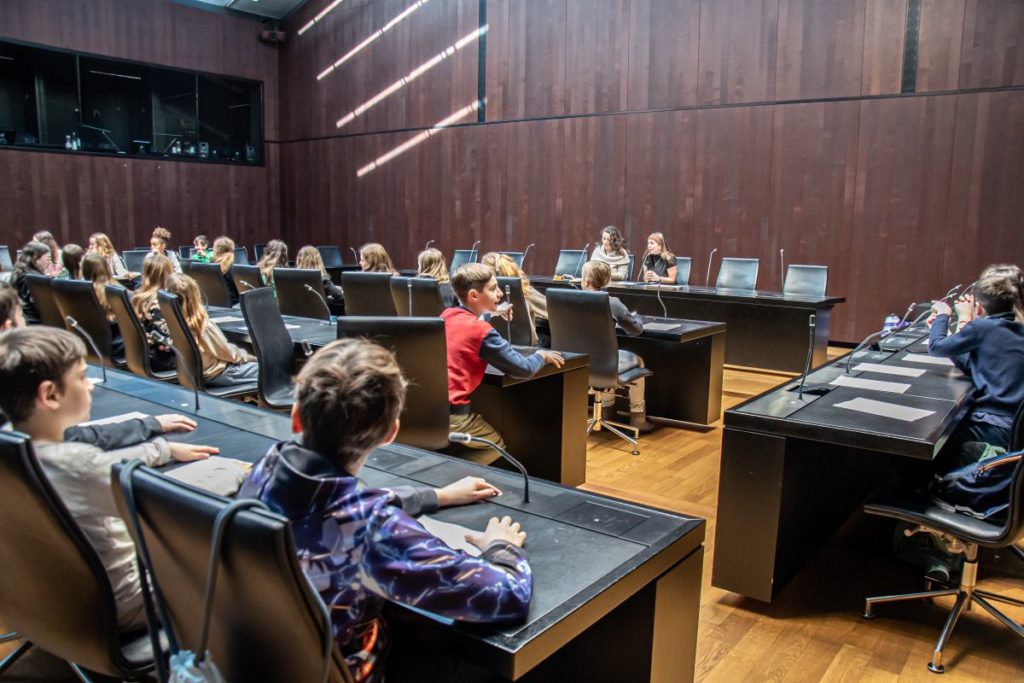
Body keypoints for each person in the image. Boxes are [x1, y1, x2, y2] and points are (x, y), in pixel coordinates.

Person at [238, 337, 531, 682]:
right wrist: (502, 546)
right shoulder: (373, 529)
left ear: (297, 417)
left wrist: (433, 496)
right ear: (391, 432)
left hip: (256, 663)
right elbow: (507, 596)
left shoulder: (267, 467)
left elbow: (332, 503)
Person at [0, 327, 220, 629]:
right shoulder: (80, 465)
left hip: (41, 604)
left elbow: (100, 467)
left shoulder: (13, 448)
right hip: (125, 608)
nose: (89, 384)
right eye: (80, 376)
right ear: (50, 394)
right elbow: (169, 519)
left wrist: (160, 450)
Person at [442, 263, 563, 459]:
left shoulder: (446, 315)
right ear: (474, 295)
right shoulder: (482, 332)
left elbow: (468, 324)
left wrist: (491, 312)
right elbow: (522, 369)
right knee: (495, 446)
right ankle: (458, 481)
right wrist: (540, 355)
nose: (499, 294)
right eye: (492, 289)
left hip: (430, 408)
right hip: (455, 416)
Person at [928, 267, 1024, 462]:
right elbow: (976, 364)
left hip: (992, 424)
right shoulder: (1015, 329)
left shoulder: (984, 327)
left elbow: (937, 348)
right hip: (1015, 426)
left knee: (931, 435)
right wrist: (947, 335)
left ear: (979, 306)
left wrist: (943, 315)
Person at [581, 261, 655, 433]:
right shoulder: (612, 303)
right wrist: (639, 319)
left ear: (586, 281)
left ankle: (606, 411)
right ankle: (638, 417)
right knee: (636, 360)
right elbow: (635, 330)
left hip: (578, 365)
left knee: (605, 358)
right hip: (603, 366)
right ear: (606, 281)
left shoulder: (570, 300)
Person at [164, 274, 258, 388]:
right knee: (271, 370)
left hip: (200, 375)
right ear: (195, 295)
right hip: (221, 374)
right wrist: (250, 357)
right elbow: (230, 355)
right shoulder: (202, 325)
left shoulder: (175, 321)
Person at [480, 251, 547, 345]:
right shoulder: (525, 291)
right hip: (526, 348)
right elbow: (552, 311)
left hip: (491, 344)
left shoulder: (481, 293)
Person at [130, 254, 176, 373]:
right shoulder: (159, 302)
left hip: (141, 357)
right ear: (165, 274)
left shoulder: (137, 297)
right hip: (162, 361)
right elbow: (164, 344)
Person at [81, 253, 123, 358]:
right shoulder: (118, 292)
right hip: (116, 345)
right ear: (107, 268)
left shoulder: (77, 290)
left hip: (87, 344)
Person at [10, 240, 52, 325]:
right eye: (48, 259)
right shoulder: (34, 278)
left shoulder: (21, 272)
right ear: (36, 259)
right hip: (36, 323)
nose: (50, 262)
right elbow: (40, 306)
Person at [296, 245, 344, 310]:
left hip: (299, 313)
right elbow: (340, 297)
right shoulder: (323, 279)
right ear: (317, 260)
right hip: (320, 314)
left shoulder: (294, 277)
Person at [210, 236, 239, 305]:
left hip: (214, 303)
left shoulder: (210, 265)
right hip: (235, 304)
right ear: (232, 248)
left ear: (216, 249)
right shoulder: (234, 266)